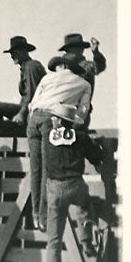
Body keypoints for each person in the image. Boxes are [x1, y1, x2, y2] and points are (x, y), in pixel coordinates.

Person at [42, 103, 104, 262]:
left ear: (58, 121)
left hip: (54, 190)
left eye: (55, 117)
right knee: (84, 205)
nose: (52, 119)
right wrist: (96, 145)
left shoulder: (47, 136)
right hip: (75, 185)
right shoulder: (81, 137)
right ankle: (86, 241)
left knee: (53, 242)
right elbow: (97, 158)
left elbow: (44, 125)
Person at [27, 53, 91, 232]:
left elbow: (33, 103)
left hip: (34, 119)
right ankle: (43, 218)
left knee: (35, 169)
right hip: (52, 119)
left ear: (62, 65)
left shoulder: (48, 78)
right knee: (48, 169)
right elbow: (82, 113)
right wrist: (70, 125)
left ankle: (35, 214)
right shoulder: (84, 84)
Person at [0, 36, 46, 126]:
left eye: (14, 52)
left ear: (23, 51)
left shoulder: (31, 67)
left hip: (34, 110)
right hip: (29, 109)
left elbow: (32, 94)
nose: (12, 56)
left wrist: (21, 114)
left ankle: (0, 131)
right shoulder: (26, 67)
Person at [59, 33, 107, 127]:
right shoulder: (62, 66)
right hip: (62, 112)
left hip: (80, 112)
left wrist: (96, 53)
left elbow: (99, 66)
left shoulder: (87, 66)